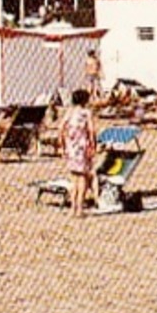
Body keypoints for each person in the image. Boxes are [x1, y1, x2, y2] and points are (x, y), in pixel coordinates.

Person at [60, 89, 98, 218]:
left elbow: (61, 128)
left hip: (71, 147)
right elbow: (92, 131)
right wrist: (94, 145)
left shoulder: (69, 112)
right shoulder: (86, 113)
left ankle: (72, 208)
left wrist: (63, 145)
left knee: (73, 178)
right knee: (82, 178)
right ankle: (79, 208)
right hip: (82, 147)